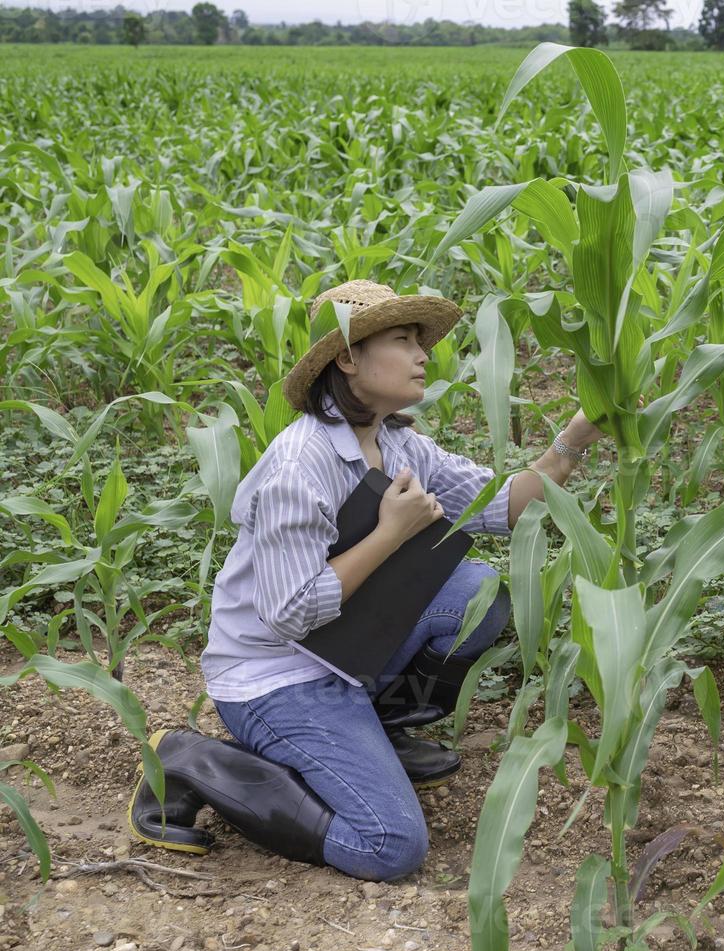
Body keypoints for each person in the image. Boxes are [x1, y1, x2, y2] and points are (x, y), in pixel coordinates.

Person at [126, 279, 603, 881]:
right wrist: (389, 533)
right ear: (348, 359)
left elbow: (505, 507)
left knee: (477, 595)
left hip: (343, 649)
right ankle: (193, 760)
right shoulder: (300, 468)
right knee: (389, 846)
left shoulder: (399, 443)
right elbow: (290, 613)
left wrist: (578, 435)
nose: (422, 354)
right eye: (402, 340)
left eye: (419, 341)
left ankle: (370, 728)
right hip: (276, 676)